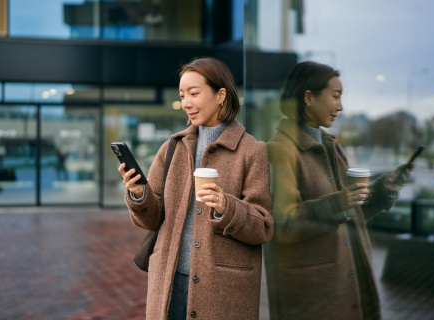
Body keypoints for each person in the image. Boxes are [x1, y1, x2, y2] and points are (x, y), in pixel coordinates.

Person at [118, 57, 273, 320]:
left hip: (223, 290)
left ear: (221, 95)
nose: (186, 102)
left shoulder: (252, 151)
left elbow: (263, 227)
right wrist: (138, 193)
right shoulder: (172, 148)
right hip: (169, 282)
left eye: (194, 93)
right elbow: (153, 218)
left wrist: (227, 207)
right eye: (182, 94)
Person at [264, 61, 413, 320]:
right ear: (308, 97)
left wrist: (383, 188)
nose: (341, 106)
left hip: (343, 281)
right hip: (313, 294)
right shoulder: (280, 150)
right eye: (335, 96)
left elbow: (349, 214)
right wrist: (338, 203)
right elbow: (284, 226)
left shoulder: (331, 147)